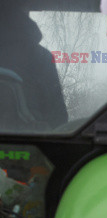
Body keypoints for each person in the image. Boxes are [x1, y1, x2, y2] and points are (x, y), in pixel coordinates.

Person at [0, 4, 68, 132]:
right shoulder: (41, 57)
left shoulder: (41, 57)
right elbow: (59, 122)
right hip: (33, 148)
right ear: (24, 17)